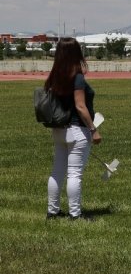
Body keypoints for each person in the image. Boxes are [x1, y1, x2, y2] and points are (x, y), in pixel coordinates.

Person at [45, 37, 102, 220]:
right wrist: (93, 129)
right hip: (77, 131)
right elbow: (80, 106)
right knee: (74, 174)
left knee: (57, 172)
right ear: (75, 52)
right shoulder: (76, 76)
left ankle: (52, 212)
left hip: (59, 130)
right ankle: (75, 214)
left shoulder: (55, 75)